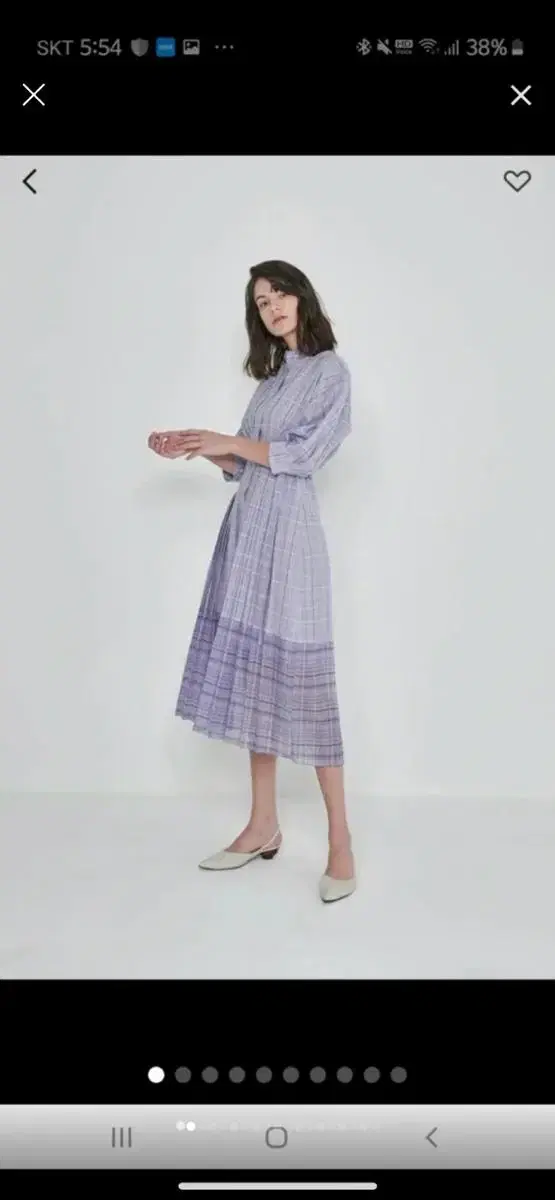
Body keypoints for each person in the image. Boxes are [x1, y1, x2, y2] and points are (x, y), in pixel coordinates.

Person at [147, 260, 355, 903]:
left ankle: (341, 843)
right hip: (248, 534)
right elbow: (244, 464)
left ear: (302, 298)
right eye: (262, 302)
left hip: (291, 539)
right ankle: (263, 825)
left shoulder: (330, 373)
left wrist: (228, 440)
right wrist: (197, 445)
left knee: (308, 691)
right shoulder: (271, 381)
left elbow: (304, 455)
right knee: (253, 680)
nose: (273, 307)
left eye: (281, 294)